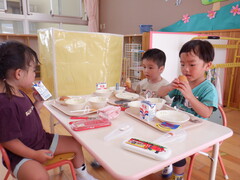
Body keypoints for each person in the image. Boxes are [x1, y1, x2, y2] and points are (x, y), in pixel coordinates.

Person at [0, 41, 97, 180]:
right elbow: (9, 141)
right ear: (19, 73)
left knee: (76, 143)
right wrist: (34, 155)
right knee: (39, 176)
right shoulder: (5, 104)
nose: (35, 74)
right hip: (21, 155)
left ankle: (82, 175)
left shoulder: (19, 93)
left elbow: (28, 116)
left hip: (41, 141)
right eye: (33, 70)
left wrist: (38, 104)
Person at [158, 40, 218, 179]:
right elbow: (160, 93)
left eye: (192, 64)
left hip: (195, 131)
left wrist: (190, 96)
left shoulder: (208, 89)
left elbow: (206, 113)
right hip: (174, 125)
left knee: (177, 148)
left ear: (208, 65)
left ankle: (178, 175)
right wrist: (169, 87)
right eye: (182, 64)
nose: (185, 69)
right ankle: (167, 163)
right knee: (156, 136)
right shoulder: (181, 83)